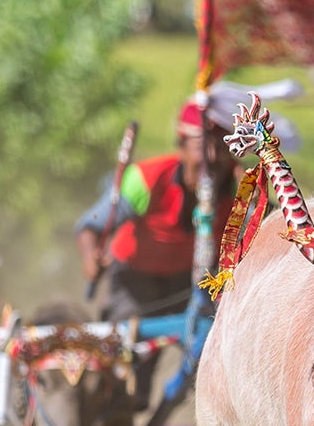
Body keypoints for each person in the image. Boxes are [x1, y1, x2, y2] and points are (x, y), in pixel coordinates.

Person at [74, 99, 244, 324]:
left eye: (222, 148)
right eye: (201, 147)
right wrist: (90, 257)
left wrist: (251, 193)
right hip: (135, 280)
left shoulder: (241, 185)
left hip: (194, 281)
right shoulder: (146, 179)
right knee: (130, 345)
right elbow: (91, 226)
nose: (211, 158)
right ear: (181, 149)